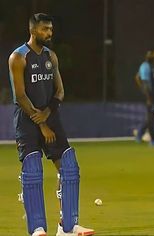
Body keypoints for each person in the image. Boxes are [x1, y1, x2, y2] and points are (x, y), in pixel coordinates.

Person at [8, 13, 94, 236]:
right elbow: (20, 96)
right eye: (45, 29)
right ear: (33, 30)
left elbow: (60, 91)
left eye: (51, 29)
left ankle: (68, 226)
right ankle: (37, 228)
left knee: (69, 168)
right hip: (27, 121)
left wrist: (47, 115)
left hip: (50, 117)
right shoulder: (18, 57)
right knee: (32, 170)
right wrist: (41, 124)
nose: (49, 33)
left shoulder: (51, 56)